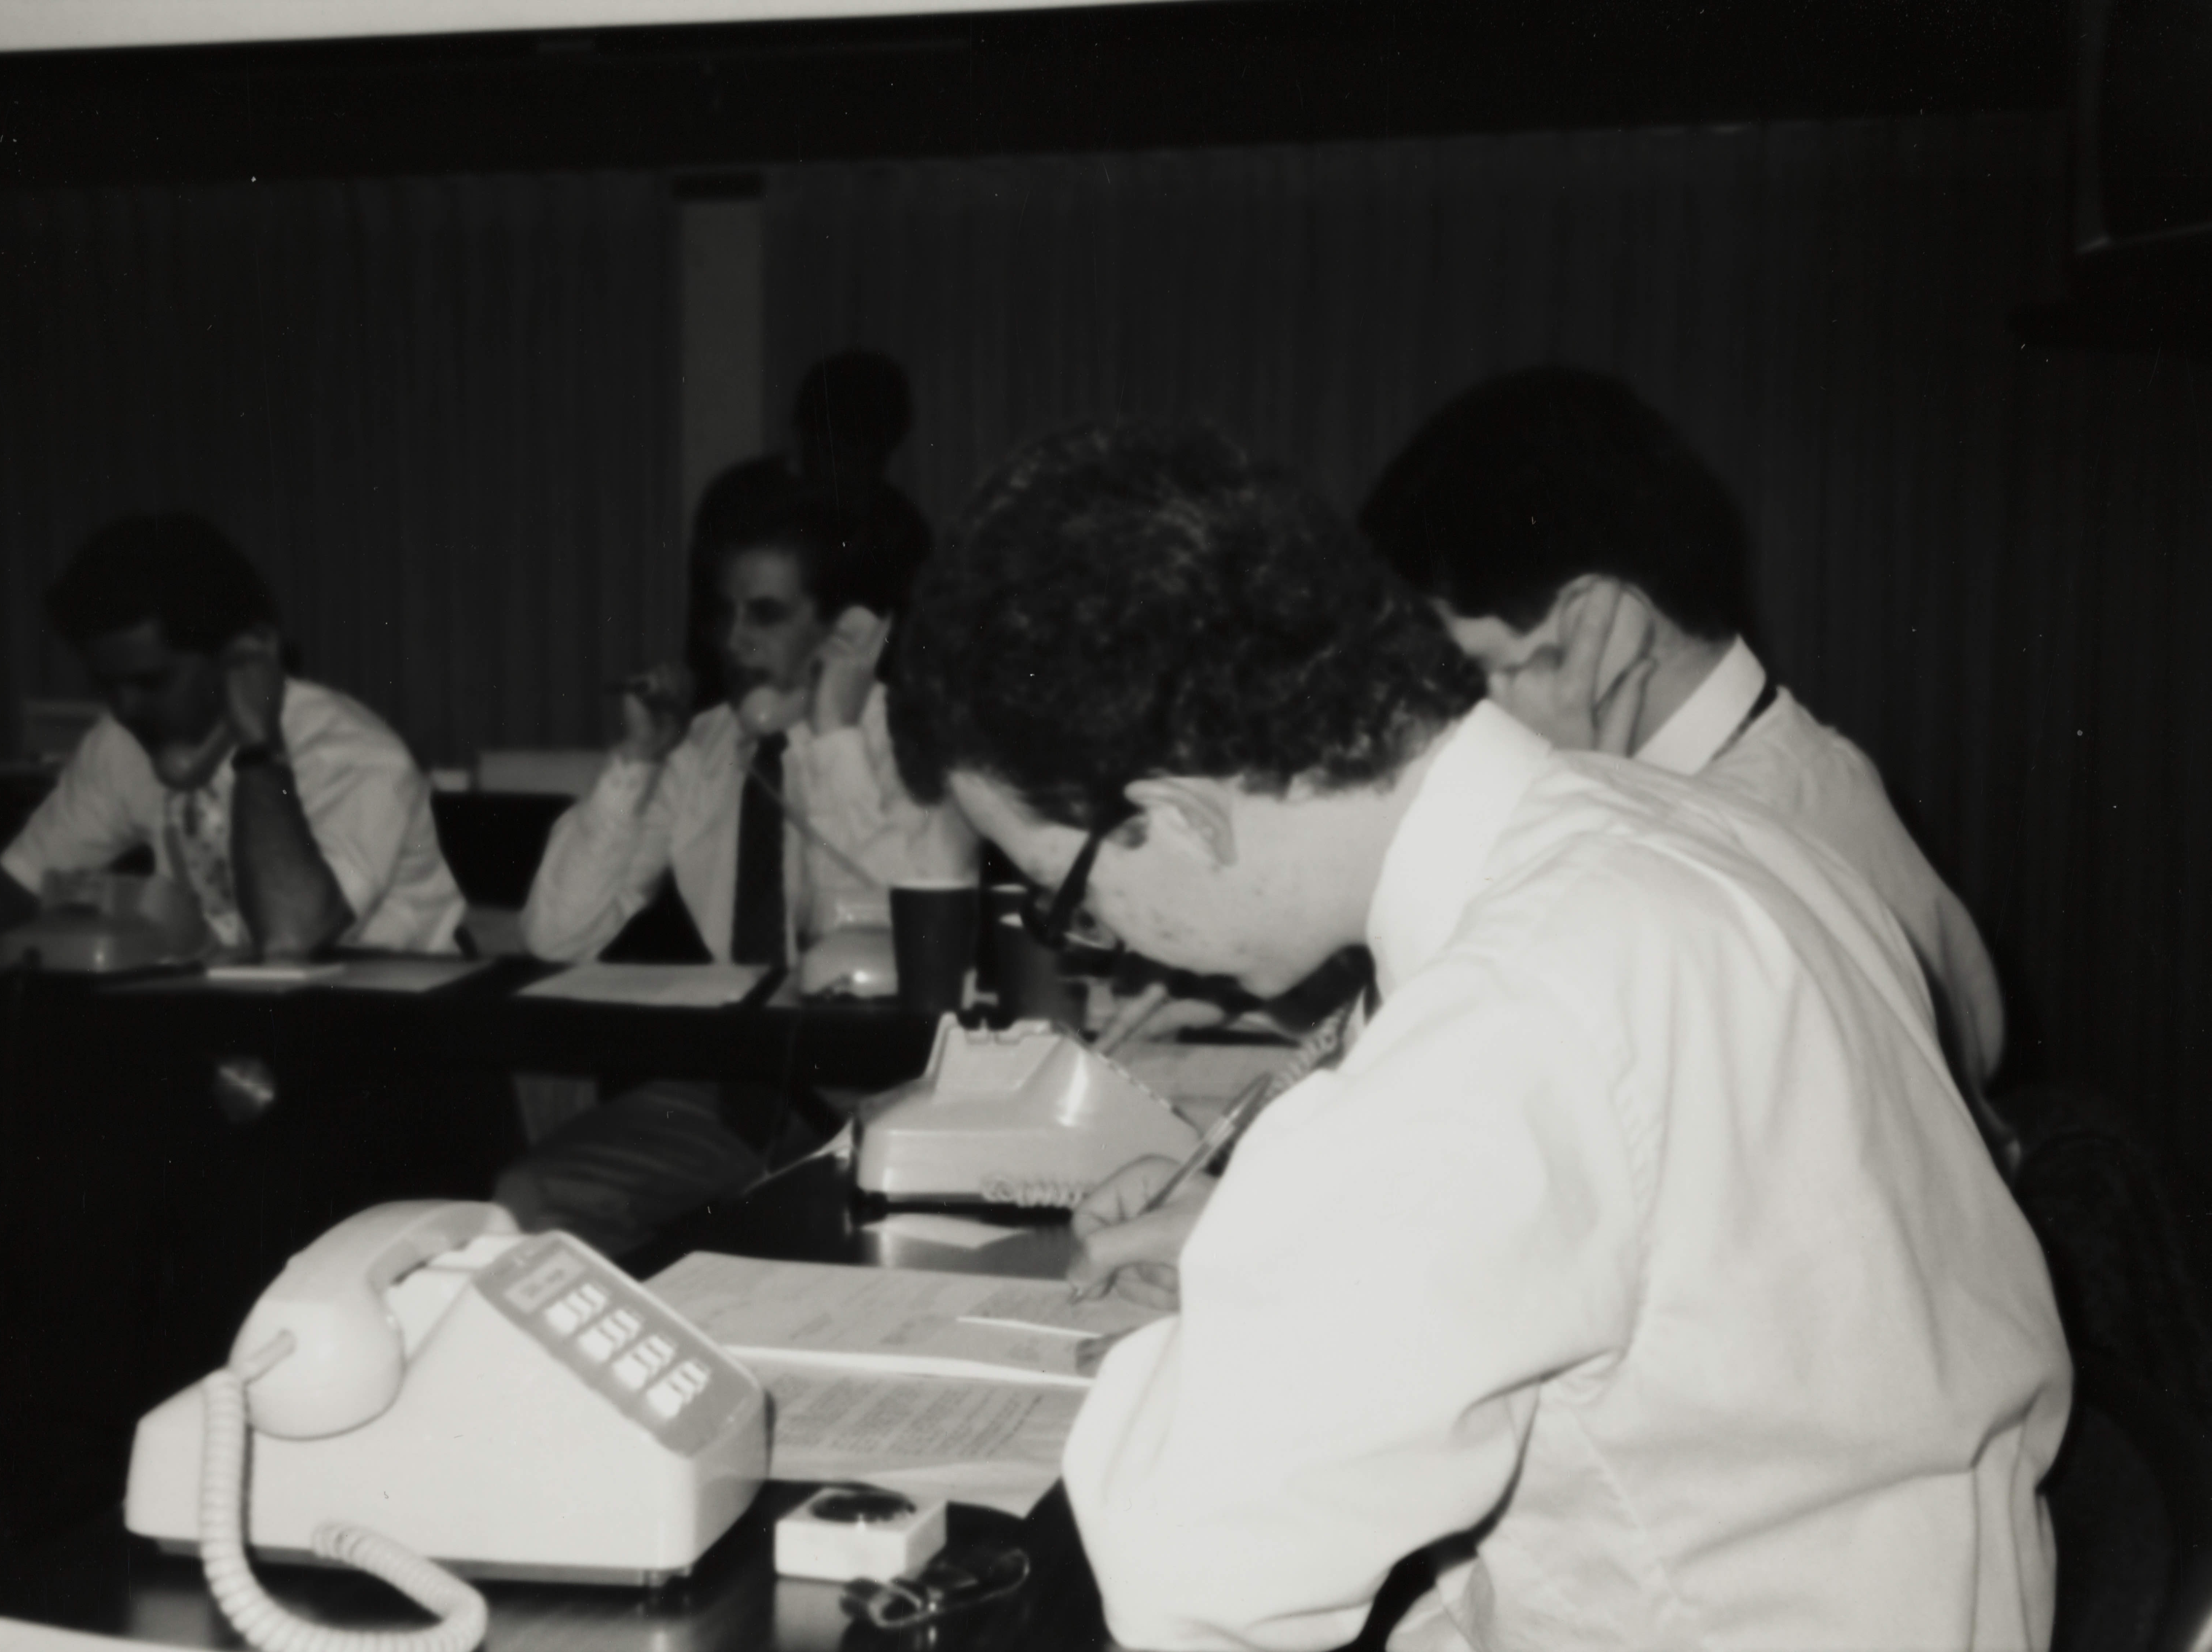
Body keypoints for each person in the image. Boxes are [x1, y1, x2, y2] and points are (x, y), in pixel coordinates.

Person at [887, 422, 2068, 1651]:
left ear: (1180, 813)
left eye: (1063, 890)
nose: (1103, 940)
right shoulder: (1676, 830)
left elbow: (1194, 1577)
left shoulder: (1507, 1007)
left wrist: (1231, 1312)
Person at [1359, 365, 2007, 1115]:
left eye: (1470, 671)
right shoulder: (1804, 768)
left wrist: (1557, 824)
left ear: (1602, 627)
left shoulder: (1731, 857)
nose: (1446, 723)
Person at [504, 493, 973, 1254]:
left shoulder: (921, 743)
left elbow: (893, 934)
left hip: (886, 1098)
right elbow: (555, 933)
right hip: (737, 1092)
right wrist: (636, 764)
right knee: (531, 1200)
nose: (733, 640)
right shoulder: (701, 749)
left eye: (765, 614)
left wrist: (831, 737)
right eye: (724, 613)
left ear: (843, 627)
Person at [0, 513, 463, 956]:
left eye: (151, 682)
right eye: (107, 684)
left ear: (248, 650)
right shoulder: (119, 745)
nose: (125, 708)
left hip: (390, 1039)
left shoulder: (356, 757)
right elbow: (17, 887)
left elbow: (290, 934)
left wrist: (258, 747)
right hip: (229, 1026)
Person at [685, 350, 933, 706]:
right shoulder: (738, 501)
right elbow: (709, 639)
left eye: (871, 458)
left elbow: (903, 657)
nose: (852, 474)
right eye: (840, 452)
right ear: (807, 436)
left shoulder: (900, 530)